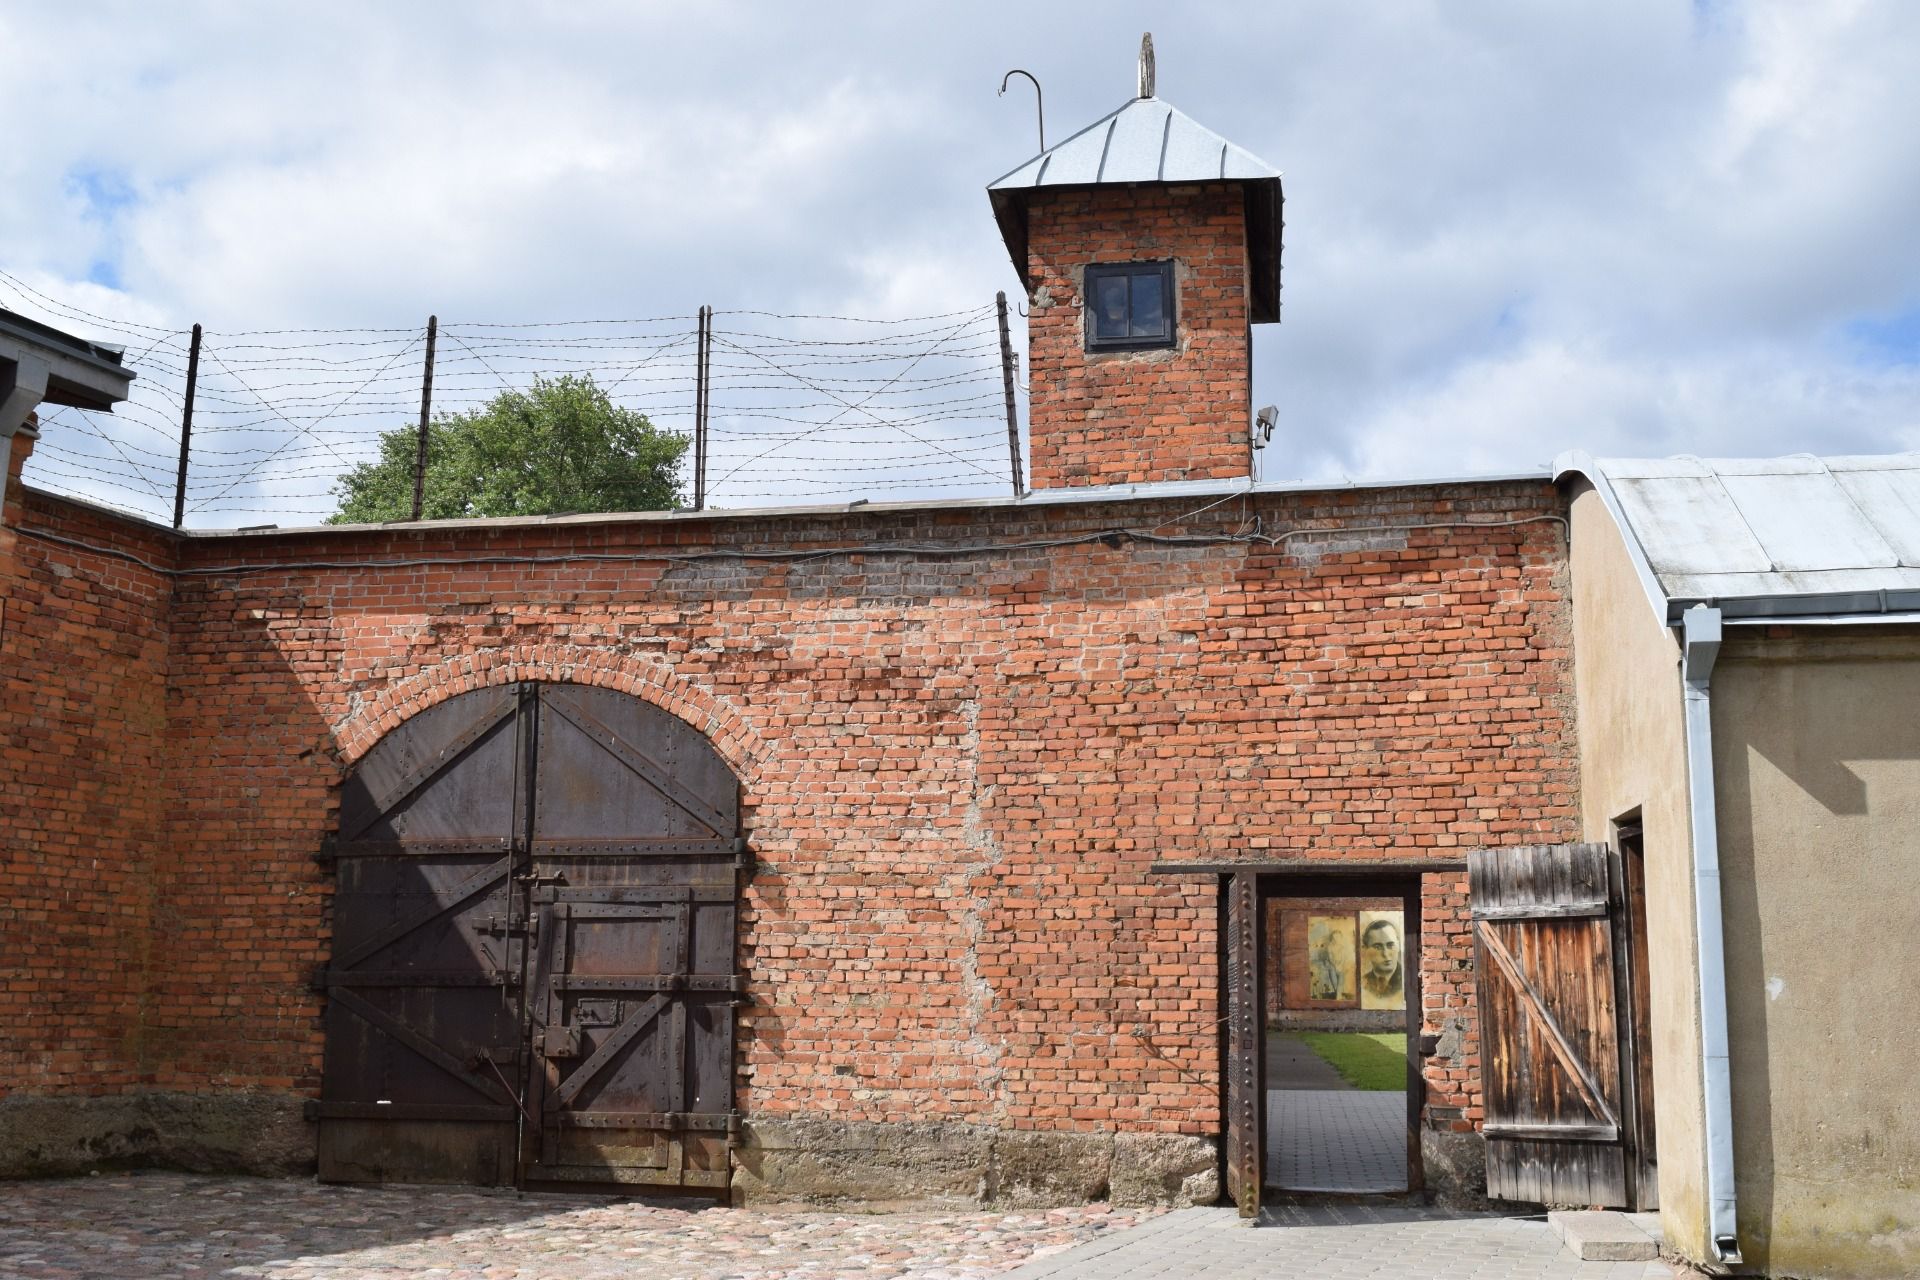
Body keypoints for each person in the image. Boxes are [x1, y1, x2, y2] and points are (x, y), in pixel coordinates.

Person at [1360, 918, 1403, 1005]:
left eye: (1390, 945)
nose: (1386, 954)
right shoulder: (1363, 983)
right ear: (1365, 950)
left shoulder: (1406, 980)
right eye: (1377, 947)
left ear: (1398, 945)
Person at [1309, 928, 1349, 1000]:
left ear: (1341, 937)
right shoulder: (1330, 947)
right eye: (1335, 937)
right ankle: (1338, 994)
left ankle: (1338, 994)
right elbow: (1330, 958)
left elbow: (1344, 958)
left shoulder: (1343, 947)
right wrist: (1335, 965)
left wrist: (1340, 965)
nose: (1336, 939)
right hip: (1332, 965)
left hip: (1340, 965)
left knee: (1341, 976)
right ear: (1333, 938)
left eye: (1338, 937)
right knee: (1332, 970)